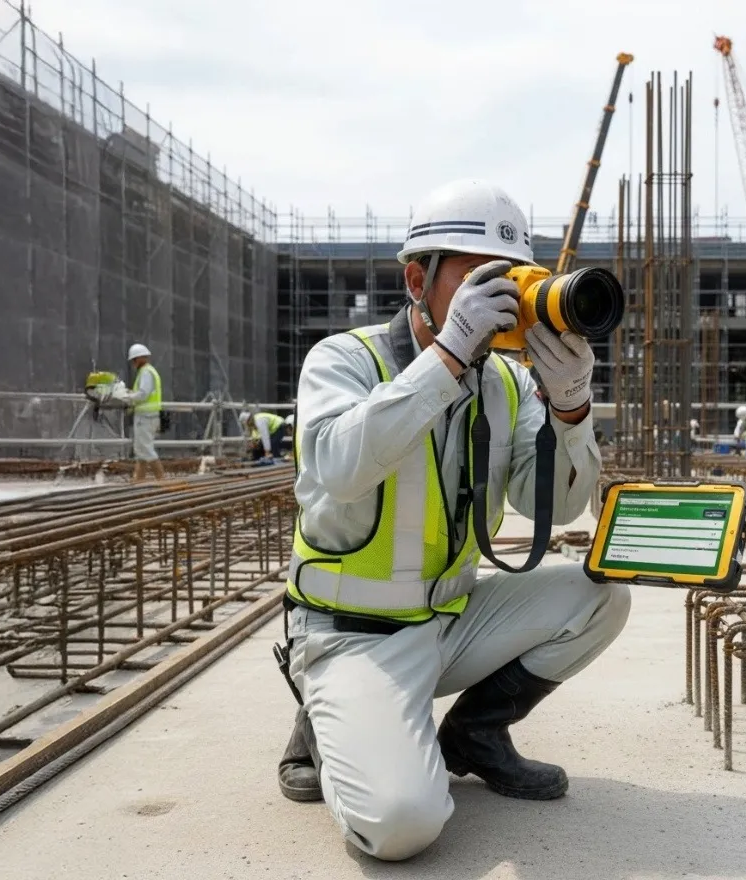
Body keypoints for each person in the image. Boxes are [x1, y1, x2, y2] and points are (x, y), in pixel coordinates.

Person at [276, 178, 631, 862]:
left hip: (452, 619)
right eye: (480, 280)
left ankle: (474, 735)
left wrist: (571, 406)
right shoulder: (346, 360)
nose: (503, 300)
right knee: (404, 826)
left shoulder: (503, 382)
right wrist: (444, 360)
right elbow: (340, 467)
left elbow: (547, 504)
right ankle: (325, 711)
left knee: (600, 594)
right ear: (418, 279)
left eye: (517, 280)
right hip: (355, 635)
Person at [123, 343, 165, 482]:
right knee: (141, 452)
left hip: (146, 418)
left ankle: (162, 480)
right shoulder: (148, 371)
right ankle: (139, 480)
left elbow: (143, 394)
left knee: (146, 450)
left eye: (134, 360)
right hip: (148, 417)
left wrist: (127, 397)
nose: (133, 363)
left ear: (140, 358)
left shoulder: (146, 372)